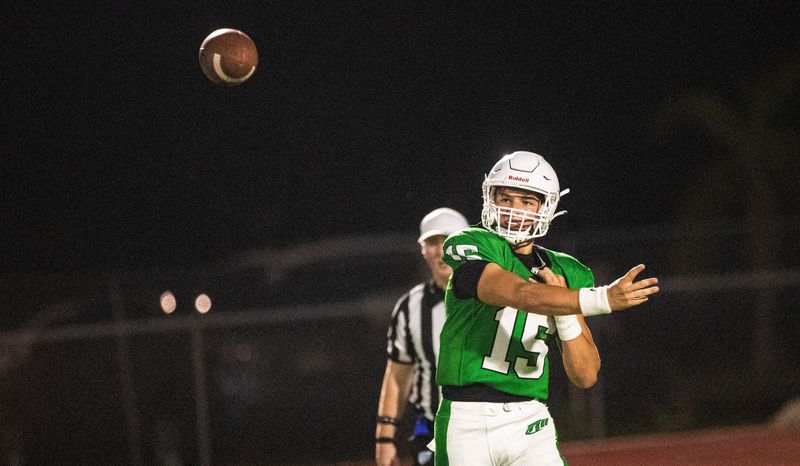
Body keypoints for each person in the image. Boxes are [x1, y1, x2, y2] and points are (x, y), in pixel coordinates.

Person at [431, 151, 660, 465]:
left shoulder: (565, 270)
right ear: (490, 199)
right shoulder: (471, 243)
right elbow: (518, 292)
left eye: (527, 201)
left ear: (547, 206)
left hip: (531, 420)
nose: (514, 210)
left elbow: (585, 375)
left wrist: (565, 313)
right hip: (468, 419)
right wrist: (601, 299)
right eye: (506, 198)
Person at [375, 208, 470, 466]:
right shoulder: (410, 307)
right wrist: (384, 438)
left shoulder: (494, 297)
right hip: (429, 426)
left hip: (489, 425)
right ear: (422, 249)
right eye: (432, 242)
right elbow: (398, 375)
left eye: (448, 240)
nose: (441, 250)